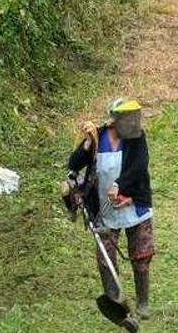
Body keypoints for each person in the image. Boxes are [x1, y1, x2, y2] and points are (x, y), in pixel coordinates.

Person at [66, 98, 156, 320]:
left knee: (141, 256)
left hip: (134, 204)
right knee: (105, 257)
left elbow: (138, 166)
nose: (133, 123)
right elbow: (74, 165)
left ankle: (143, 302)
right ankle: (115, 302)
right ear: (116, 120)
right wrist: (87, 144)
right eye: (128, 119)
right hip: (104, 209)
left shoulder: (136, 138)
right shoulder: (98, 136)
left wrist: (120, 186)